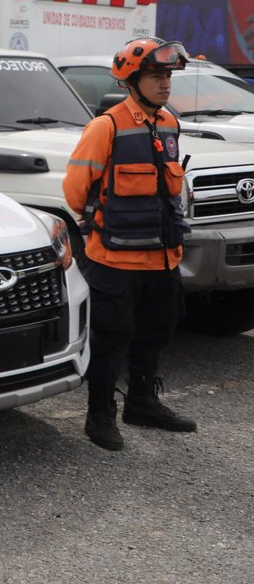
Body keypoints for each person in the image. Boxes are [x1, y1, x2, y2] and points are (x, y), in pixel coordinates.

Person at [64, 37, 198, 452]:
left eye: (168, 76)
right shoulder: (106, 126)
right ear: (131, 80)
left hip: (162, 259)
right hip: (115, 261)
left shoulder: (170, 124)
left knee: (155, 333)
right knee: (110, 337)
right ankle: (99, 415)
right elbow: (75, 191)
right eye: (156, 75)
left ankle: (142, 403)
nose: (165, 83)